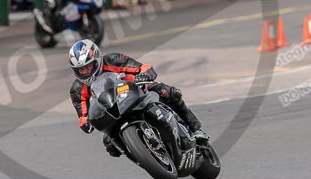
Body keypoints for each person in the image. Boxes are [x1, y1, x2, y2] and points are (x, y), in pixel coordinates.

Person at [68, 39, 209, 157]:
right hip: (111, 111)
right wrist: (87, 123)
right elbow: (83, 117)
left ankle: (195, 129)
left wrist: (144, 75)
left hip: (133, 89)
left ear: (97, 59)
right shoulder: (77, 89)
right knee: (110, 146)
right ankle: (143, 156)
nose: (85, 71)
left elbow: (143, 67)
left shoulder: (112, 59)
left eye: (88, 66)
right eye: (81, 69)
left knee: (169, 92)